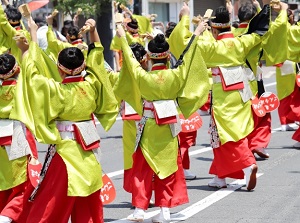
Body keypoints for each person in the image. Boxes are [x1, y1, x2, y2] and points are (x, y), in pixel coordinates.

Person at [169, 2, 288, 190]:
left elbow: (184, 44)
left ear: (214, 30)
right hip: (241, 95)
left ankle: (248, 165)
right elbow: (260, 33)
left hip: (222, 98)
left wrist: (185, 17)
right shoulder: (242, 41)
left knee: (227, 136)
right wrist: (266, 12)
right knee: (226, 134)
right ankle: (220, 176)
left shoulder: (210, 47)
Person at [14, 16, 119, 223]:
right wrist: (93, 31)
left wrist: (32, 39)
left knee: (50, 204)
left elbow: (31, 73)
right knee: (87, 204)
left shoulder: (55, 89)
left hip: (64, 152)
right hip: (89, 151)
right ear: (83, 66)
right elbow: (98, 63)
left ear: (59, 68)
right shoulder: (92, 84)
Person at [113, 5, 210, 221]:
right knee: (168, 167)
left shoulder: (143, 77)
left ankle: (140, 208)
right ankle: (165, 209)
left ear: (148, 57)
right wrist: (196, 33)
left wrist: (122, 36)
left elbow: (129, 59)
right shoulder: (176, 75)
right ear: (167, 58)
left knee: (142, 168)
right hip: (169, 127)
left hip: (147, 126)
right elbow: (189, 54)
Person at [0, 53, 39, 223]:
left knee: (4, 184)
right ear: (16, 69)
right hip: (17, 136)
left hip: (1, 137)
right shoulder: (22, 89)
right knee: (24, 185)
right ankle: (6, 217)